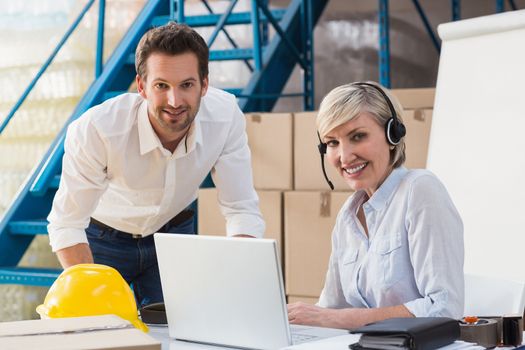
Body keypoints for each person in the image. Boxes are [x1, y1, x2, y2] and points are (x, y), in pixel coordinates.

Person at [47, 22, 265, 306]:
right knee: (96, 331)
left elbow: (241, 208)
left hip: (172, 236)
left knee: (179, 333)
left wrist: (240, 279)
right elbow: (67, 222)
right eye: (162, 85)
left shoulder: (225, 118)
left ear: (205, 84)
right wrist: (88, 297)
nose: (175, 101)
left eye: (187, 85)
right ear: (142, 86)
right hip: (102, 240)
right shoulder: (98, 129)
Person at [287, 82, 464, 329]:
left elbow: (444, 307)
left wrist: (338, 319)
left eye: (357, 136)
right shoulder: (348, 216)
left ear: (393, 134)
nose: (344, 157)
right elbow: (331, 308)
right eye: (332, 143)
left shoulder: (420, 190)